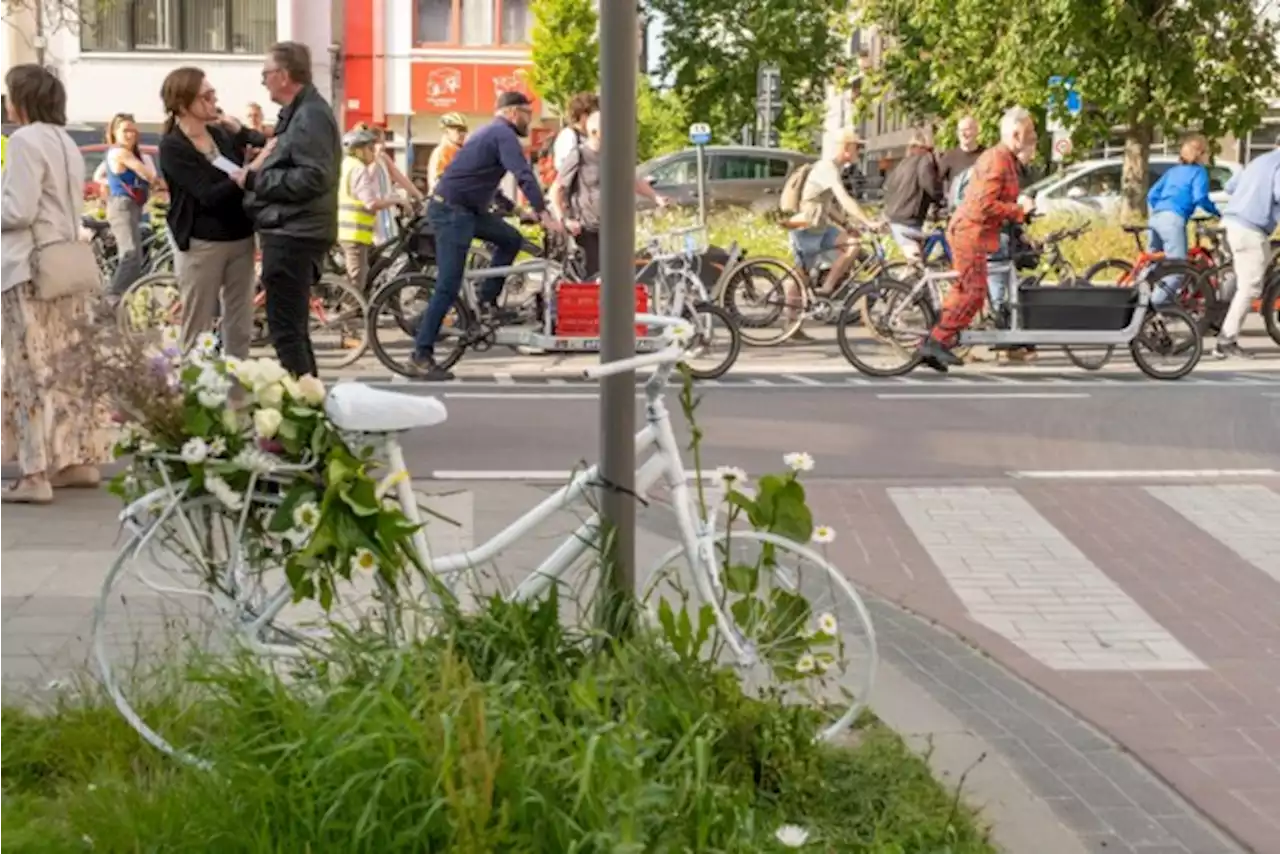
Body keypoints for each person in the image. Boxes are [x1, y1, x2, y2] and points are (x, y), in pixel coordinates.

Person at [0, 65, 110, 504]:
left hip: (28, 267)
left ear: (21, 100)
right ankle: (76, 458)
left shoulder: (24, 140)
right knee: (68, 366)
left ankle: (34, 472)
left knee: (28, 366)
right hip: (65, 262)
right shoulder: (65, 140)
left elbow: (18, 211)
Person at [411, 91, 560, 381]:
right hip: (452, 213)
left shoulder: (491, 134)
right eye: (528, 113)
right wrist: (542, 213)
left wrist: (516, 209)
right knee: (448, 286)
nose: (529, 119)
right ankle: (420, 354)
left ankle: (487, 300)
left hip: (468, 210)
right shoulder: (502, 134)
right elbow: (523, 173)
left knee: (511, 239)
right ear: (514, 112)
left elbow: (485, 182)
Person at [240, 41, 341, 379]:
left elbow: (314, 176)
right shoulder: (301, 112)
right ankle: (309, 409)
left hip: (294, 233)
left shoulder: (309, 115)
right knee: (290, 330)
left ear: (283, 76)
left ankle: (307, 412)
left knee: (286, 331)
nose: (263, 81)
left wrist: (256, 180)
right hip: (292, 230)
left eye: (266, 74)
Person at [158, 67, 267, 361]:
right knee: (198, 323)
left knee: (240, 320)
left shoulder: (220, 133)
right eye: (206, 96)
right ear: (183, 104)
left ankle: (236, 386)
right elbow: (206, 194)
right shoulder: (173, 146)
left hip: (240, 236)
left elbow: (263, 141)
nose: (214, 102)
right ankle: (196, 392)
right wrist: (247, 174)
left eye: (214, 95)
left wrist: (239, 130)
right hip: (201, 242)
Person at [919, 106, 1037, 372]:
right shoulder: (997, 159)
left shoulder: (1001, 158)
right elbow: (984, 205)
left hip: (973, 233)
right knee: (974, 292)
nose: (1032, 139)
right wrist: (1019, 210)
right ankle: (936, 341)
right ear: (1016, 134)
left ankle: (933, 345)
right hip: (970, 233)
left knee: (964, 290)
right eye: (1030, 133)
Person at [550, 109, 667, 279]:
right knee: (596, 277)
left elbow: (632, 180)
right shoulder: (579, 156)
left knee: (619, 275)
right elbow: (557, 189)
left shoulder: (616, 155)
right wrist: (564, 220)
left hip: (615, 227)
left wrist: (656, 197)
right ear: (594, 132)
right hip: (588, 228)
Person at [1213, 148, 1280, 360]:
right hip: (1250, 229)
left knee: (1244, 278)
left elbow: (1230, 186)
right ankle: (1226, 340)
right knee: (1250, 287)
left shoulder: (1258, 161)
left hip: (1232, 222)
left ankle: (1222, 321)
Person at [1146, 133, 1219, 305]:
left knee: (1153, 266)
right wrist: (1216, 212)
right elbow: (1199, 198)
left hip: (1155, 218)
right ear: (1200, 153)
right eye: (1206, 152)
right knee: (1178, 270)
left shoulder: (1173, 171)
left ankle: (1139, 297)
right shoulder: (1198, 172)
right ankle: (1150, 308)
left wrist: (1161, 209)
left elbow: (1151, 194)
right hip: (1173, 220)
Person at [338, 127, 410, 293]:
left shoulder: (346, 164)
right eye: (370, 148)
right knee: (357, 281)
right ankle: (345, 315)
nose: (373, 152)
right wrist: (395, 200)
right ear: (359, 151)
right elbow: (370, 203)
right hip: (354, 232)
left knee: (364, 274)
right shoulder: (358, 168)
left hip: (351, 231)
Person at [103, 112, 159, 299]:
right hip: (122, 206)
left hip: (133, 206)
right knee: (130, 255)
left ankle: (122, 300)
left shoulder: (131, 153)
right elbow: (144, 172)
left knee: (136, 258)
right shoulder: (120, 153)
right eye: (126, 130)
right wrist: (157, 182)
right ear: (115, 133)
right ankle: (111, 298)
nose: (131, 134)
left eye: (134, 131)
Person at [884, 128, 943, 263]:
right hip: (908, 219)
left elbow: (888, 187)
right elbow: (929, 184)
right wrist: (943, 201)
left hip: (895, 217)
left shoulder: (903, 163)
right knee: (916, 266)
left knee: (916, 264)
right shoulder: (925, 159)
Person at [937, 115, 984, 204]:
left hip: (981, 209)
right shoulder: (949, 156)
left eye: (967, 129)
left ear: (976, 131)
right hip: (957, 211)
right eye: (960, 130)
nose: (963, 134)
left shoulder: (986, 155)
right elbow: (936, 182)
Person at [427, 113, 469, 193]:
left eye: (464, 130)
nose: (462, 133)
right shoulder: (443, 151)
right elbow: (442, 181)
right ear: (446, 131)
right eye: (459, 130)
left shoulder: (461, 151)